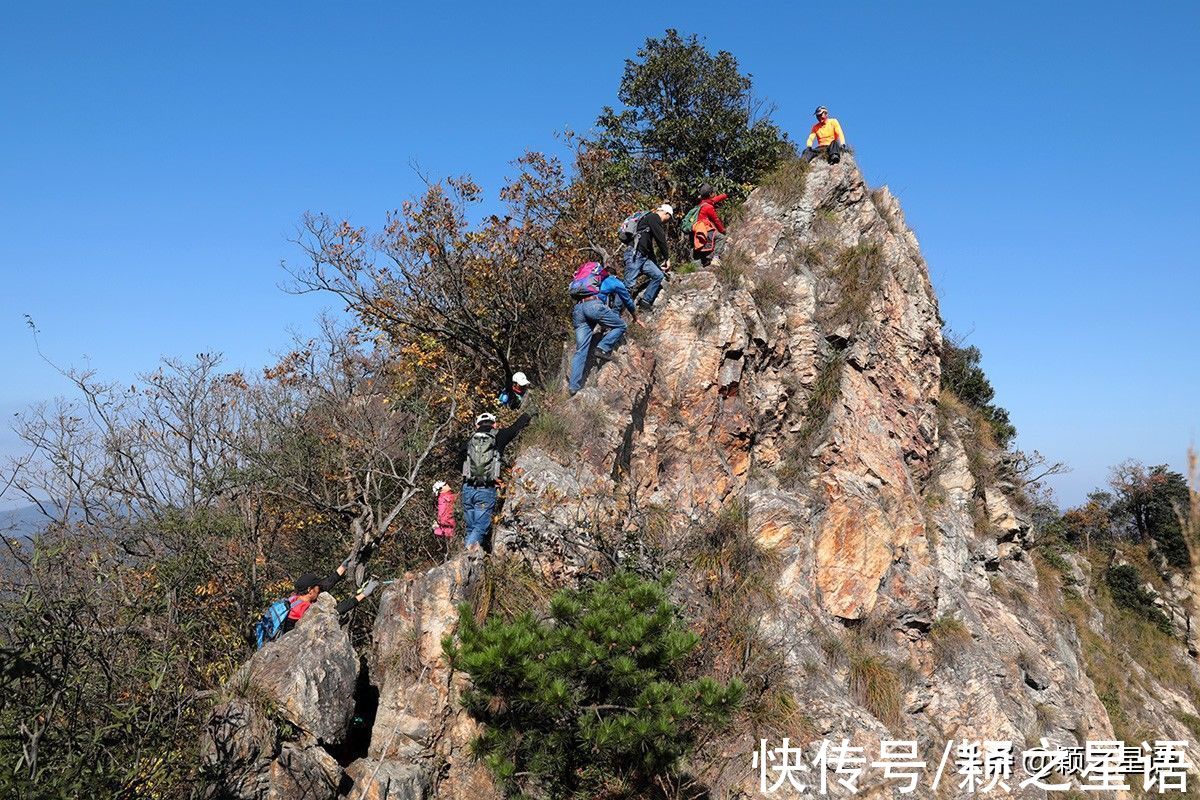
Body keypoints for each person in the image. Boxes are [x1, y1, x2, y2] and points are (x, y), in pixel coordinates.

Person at [460, 411, 531, 553]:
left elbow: (460, 464)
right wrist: (528, 415)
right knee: (480, 527)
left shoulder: (468, 441)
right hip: (486, 489)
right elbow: (516, 428)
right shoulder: (499, 436)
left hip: (467, 489)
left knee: (471, 527)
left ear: (476, 425)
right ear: (494, 424)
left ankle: (470, 561)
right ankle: (464, 559)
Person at [568, 261, 637, 396]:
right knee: (621, 325)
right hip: (593, 306)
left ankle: (573, 387)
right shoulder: (612, 280)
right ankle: (602, 348)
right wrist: (635, 316)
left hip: (578, 309)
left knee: (581, 350)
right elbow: (626, 298)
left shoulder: (584, 281)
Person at [624, 204, 673, 310]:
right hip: (634, 254)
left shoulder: (649, 221)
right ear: (666, 213)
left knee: (658, 275)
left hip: (642, 257)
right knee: (629, 285)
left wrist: (656, 264)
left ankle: (645, 302)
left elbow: (648, 246)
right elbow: (661, 238)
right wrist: (667, 258)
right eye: (669, 218)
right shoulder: (654, 217)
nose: (667, 222)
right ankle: (616, 311)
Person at [692, 184, 729, 267]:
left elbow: (715, 200)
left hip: (698, 229)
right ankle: (716, 258)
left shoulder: (702, 203)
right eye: (713, 192)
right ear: (710, 194)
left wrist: (725, 196)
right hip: (706, 230)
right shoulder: (708, 207)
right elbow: (716, 221)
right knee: (721, 238)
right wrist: (723, 231)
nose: (715, 193)